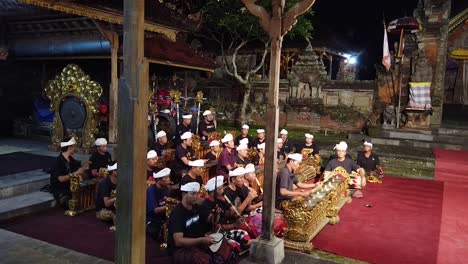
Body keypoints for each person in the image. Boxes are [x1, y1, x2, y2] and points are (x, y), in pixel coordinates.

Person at [168, 182, 214, 263]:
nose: (196, 197)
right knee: (202, 260)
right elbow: (178, 241)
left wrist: (215, 214)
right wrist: (201, 240)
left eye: (197, 194)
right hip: (181, 249)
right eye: (192, 194)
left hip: (196, 243)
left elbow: (209, 222)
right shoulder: (177, 213)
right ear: (183, 195)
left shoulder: (196, 207)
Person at [50, 137, 86, 209]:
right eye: (74, 147)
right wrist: (76, 173)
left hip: (71, 187)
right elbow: (61, 179)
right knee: (73, 205)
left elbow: (78, 173)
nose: (75, 149)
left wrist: (81, 180)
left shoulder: (71, 160)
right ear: (69, 148)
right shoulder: (57, 161)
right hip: (60, 189)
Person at [146, 168, 172, 241]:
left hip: (164, 219)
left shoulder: (167, 188)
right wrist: (170, 207)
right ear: (158, 180)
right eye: (166, 178)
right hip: (153, 220)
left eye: (168, 177)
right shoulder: (151, 191)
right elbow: (155, 210)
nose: (168, 179)